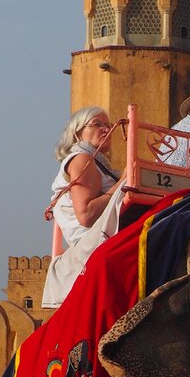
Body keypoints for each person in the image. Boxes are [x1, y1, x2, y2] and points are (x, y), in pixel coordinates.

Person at [42, 107, 126, 308]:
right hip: (95, 242)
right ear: (77, 133)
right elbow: (86, 215)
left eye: (108, 125)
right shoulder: (82, 159)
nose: (106, 129)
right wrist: (122, 183)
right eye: (97, 124)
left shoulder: (98, 162)